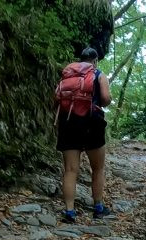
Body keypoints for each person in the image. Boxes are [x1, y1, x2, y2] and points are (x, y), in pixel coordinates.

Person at [55, 47, 112, 223]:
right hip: (91, 123)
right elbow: (105, 98)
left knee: (71, 170)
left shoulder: (68, 75)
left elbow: (56, 99)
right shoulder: (99, 74)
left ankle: (70, 212)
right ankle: (98, 208)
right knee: (98, 168)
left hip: (68, 122)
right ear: (95, 61)